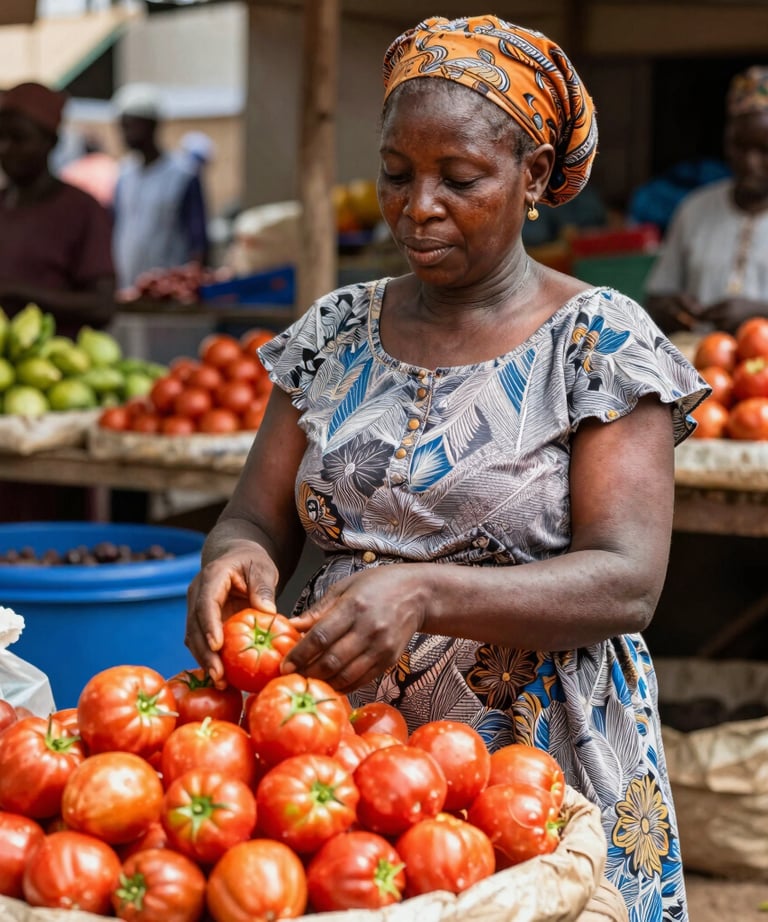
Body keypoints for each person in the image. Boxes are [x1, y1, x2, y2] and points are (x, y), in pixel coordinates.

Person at [185, 16, 708, 922]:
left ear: (534, 175)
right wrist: (234, 559)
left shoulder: (600, 343)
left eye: (459, 179)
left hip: (539, 760)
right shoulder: (334, 333)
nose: (417, 206)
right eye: (396, 174)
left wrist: (422, 592)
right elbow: (251, 518)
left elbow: (627, 581)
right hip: (343, 759)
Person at [645, 66, 768, 334]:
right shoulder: (695, 209)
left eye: (764, 149)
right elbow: (655, 298)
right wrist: (671, 308)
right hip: (699, 368)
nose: (750, 162)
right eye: (739, 145)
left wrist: (757, 313)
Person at [0, 81, 116, 338]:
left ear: (51, 142)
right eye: (1, 137)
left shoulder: (82, 210)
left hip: (56, 363)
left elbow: (102, 305)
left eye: (19, 138)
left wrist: (15, 292)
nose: (5, 149)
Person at [111, 84, 209, 291]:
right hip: (128, 290)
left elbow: (197, 240)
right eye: (123, 126)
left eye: (132, 125)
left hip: (169, 295)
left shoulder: (183, 174)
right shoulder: (124, 174)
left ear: (152, 126)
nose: (125, 133)